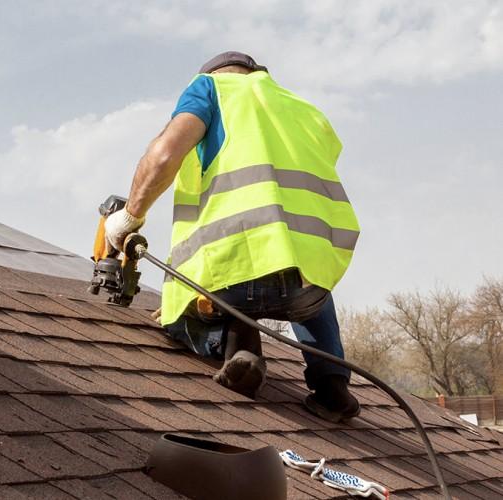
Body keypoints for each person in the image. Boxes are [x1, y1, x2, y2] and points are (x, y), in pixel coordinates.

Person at [105, 51, 361, 422]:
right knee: (308, 283)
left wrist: (129, 217)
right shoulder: (302, 108)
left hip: (234, 278)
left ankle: (240, 347)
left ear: (216, 75)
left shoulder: (210, 89)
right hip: (311, 281)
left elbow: (163, 156)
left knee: (180, 318)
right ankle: (332, 386)